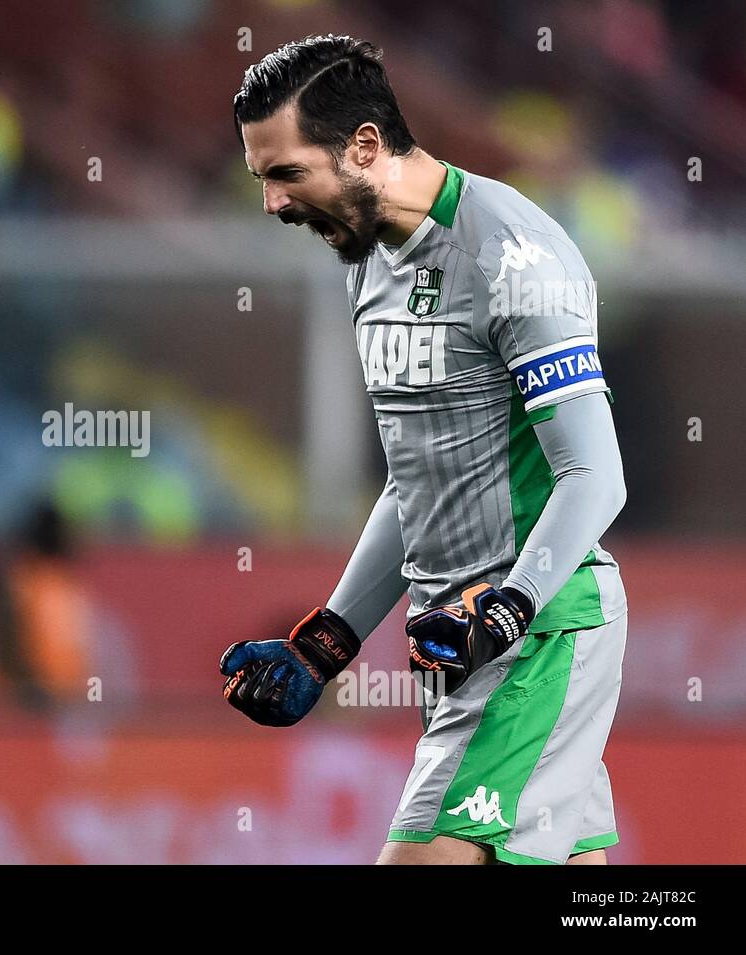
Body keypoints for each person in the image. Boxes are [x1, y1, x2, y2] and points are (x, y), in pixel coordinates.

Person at [219, 35, 627, 866]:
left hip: (534, 635)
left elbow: (596, 475)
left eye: (287, 173)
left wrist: (508, 609)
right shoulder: (368, 259)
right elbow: (422, 480)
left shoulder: (515, 254)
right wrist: (328, 638)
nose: (272, 202)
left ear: (365, 146)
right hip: (457, 645)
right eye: (260, 177)